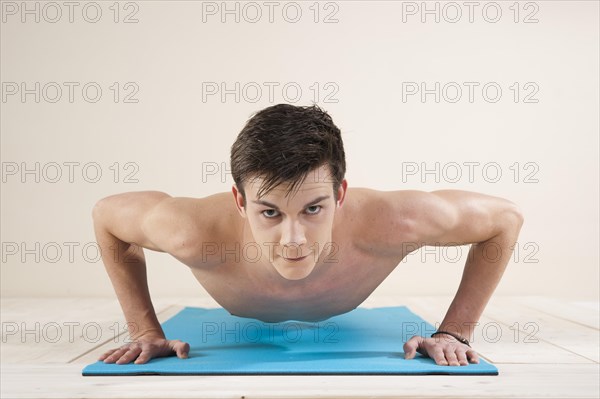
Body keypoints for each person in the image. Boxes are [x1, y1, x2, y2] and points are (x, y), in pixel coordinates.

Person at [93, 104, 524, 367]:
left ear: (340, 194)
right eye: (270, 212)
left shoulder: (397, 222)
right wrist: (144, 330)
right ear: (240, 202)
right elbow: (107, 217)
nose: (294, 238)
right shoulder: (191, 232)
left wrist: (455, 332)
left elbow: (504, 220)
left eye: (313, 209)